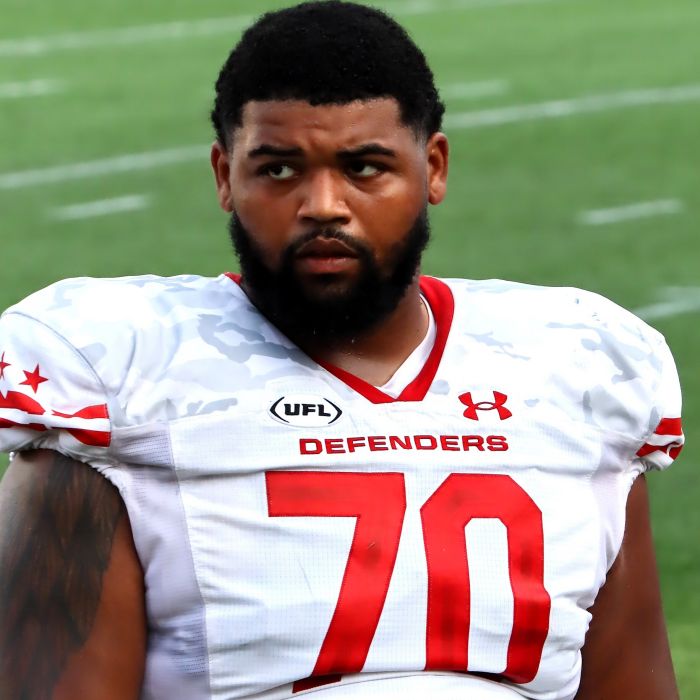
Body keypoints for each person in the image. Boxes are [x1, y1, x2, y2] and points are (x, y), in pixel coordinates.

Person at [0, 2, 685, 698]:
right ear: (224, 176)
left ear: (433, 167)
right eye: (278, 170)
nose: (323, 205)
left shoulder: (579, 369)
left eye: (364, 167)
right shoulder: (120, 375)